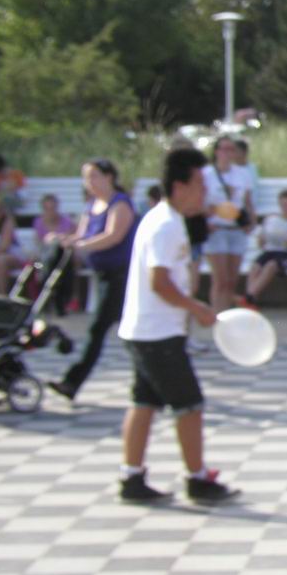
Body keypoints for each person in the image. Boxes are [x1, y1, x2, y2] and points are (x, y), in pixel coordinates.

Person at [116, 147, 238, 504]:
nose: (205, 191)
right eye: (200, 183)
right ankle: (197, 478)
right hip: (158, 334)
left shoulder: (164, 219)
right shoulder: (166, 225)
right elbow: (159, 282)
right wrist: (195, 307)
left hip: (143, 331)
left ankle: (131, 476)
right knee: (190, 405)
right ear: (179, 186)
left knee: (144, 402)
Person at [49, 159, 137, 401]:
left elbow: (114, 236)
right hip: (102, 275)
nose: (89, 182)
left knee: (98, 328)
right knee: (129, 330)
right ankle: (151, 379)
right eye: (86, 177)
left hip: (120, 275)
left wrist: (84, 245)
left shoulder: (120, 203)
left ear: (109, 177)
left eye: (94, 176)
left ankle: (72, 382)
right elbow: (81, 234)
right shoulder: (92, 205)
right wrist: (65, 240)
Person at [202, 135, 257, 314]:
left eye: (231, 149)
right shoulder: (206, 174)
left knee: (232, 281)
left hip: (236, 229)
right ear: (216, 151)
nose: (227, 153)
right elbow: (199, 202)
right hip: (216, 229)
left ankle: (226, 314)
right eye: (224, 149)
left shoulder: (243, 174)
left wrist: (251, 221)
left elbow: (248, 201)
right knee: (220, 279)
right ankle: (216, 315)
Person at [238, 188, 287, 309]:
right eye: (283, 205)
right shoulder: (272, 221)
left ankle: (248, 298)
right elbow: (261, 245)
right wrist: (264, 235)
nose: (285, 208)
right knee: (256, 266)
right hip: (271, 251)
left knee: (271, 265)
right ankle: (250, 300)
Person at [32, 193, 78, 314]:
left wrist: (58, 238)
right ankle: (44, 298)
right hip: (44, 260)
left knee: (66, 265)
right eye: (47, 208)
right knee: (37, 265)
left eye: (53, 208)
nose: (51, 211)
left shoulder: (66, 221)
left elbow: (73, 238)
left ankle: (68, 298)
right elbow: (39, 244)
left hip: (64, 258)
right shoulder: (39, 222)